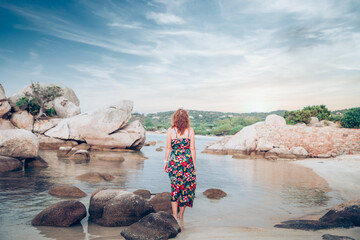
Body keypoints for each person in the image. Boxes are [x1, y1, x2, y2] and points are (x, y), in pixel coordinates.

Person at [164, 108, 196, 220]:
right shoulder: (190, 131)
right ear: (186, 118)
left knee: (175, 188)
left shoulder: (170, 130)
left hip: (174, 162)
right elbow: (192, 149)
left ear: (175, 118)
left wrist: (165, 162)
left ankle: (174, 216)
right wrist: (194, 164)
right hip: (187, 163)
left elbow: (168, 148)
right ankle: (181, 216)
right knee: (185, 189)